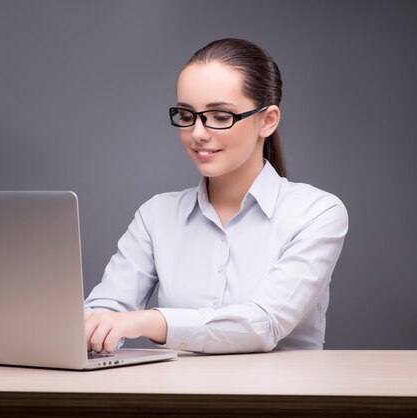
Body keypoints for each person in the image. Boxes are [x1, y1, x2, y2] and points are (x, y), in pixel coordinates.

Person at [83, 38, 349, 354]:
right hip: (175, 398)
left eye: (220, 116)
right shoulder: (157, 215)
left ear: (267, 120)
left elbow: (263, 324)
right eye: (186, 115)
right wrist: (89, 324)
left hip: (280, 400)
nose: (197, 133)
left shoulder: (316, 212)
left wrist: (148, 322)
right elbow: (108, 306)